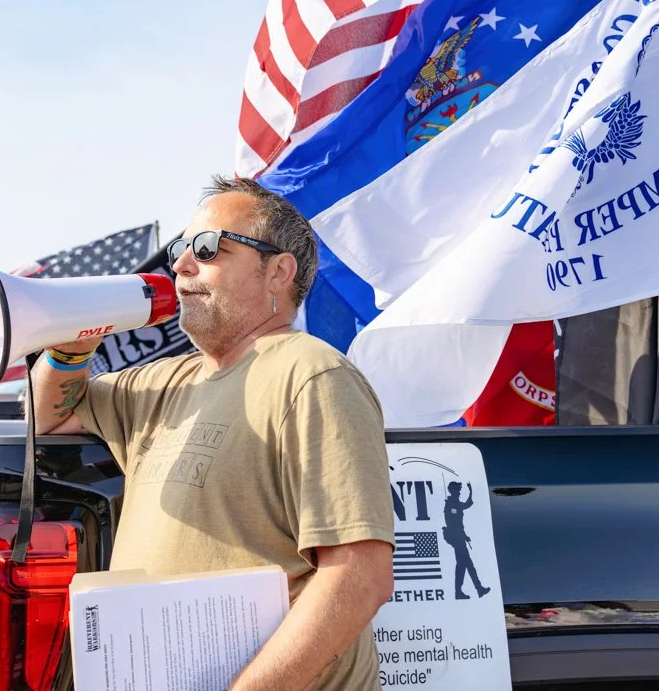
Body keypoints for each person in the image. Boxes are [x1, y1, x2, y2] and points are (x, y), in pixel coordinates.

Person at [30, 176, 394, 691]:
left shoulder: (313, 374)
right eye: (180, 249)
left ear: (278, 271)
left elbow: (359, 577)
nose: (181, 264)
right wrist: (73, 345)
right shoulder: (161, 382)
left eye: (207, 248)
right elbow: (47, 417)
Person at [442, 481, 490, 600]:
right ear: (452, 491)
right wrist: (462, 536)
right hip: (457, 540)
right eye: (457, 490)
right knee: (462, 566)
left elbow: (467, 505)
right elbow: (453, 525)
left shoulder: (456, 504)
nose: (459, 493)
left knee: (468, 565)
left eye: (459, 490)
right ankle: (460, 591)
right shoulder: (451, 505)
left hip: (460, 539)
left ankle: (478, 589)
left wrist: (471, 491)